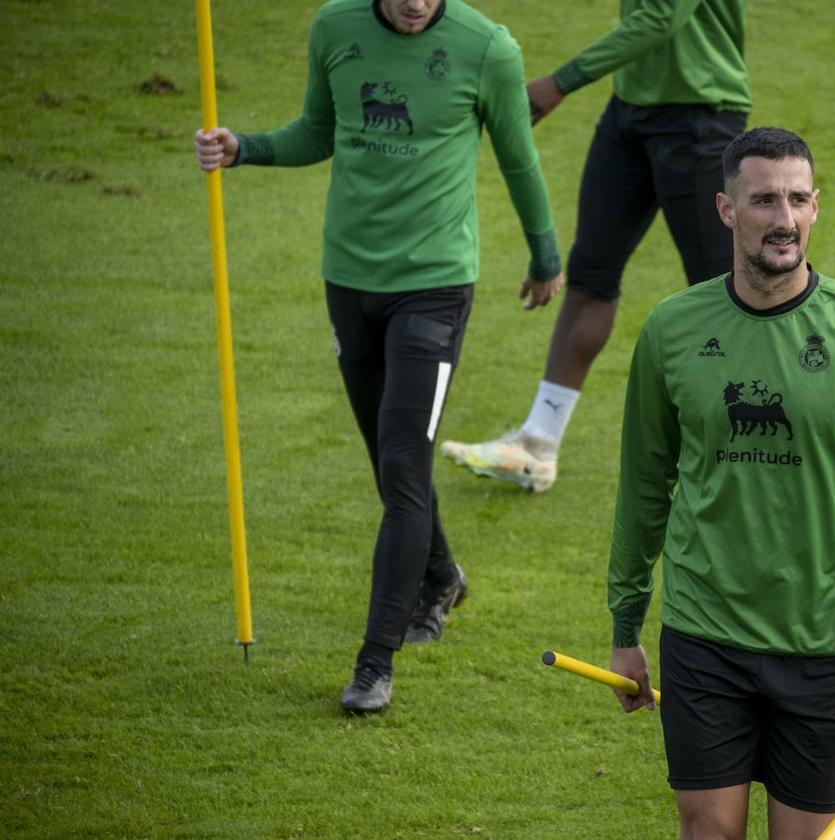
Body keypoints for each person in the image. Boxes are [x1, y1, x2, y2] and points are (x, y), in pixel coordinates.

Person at [193, 0, 564, 714]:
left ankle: (375, 663)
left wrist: (547, 258)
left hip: (434, 285)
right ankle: (441, 574)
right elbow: (318, 132)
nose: (416, 4)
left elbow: (518, 155)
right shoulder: (335, 30)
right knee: (393, 459)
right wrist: (246, 148)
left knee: (400, 468)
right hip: (349, 280)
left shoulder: (487, 48)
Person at [605, 128, 835, 839]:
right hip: (704, 636)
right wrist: (625, 627)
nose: (784, 218)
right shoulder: (672, 330)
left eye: (799, 199)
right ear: (726, 209)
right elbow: (644, 486)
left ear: (817, 206)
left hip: (823, 646)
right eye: (764, 199)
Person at [440, 0, 751, 492]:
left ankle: (756, 455)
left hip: (701, 113)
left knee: (727, 294)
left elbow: (661, 17)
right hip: (629, 111)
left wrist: (559, 82)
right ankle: (538, 445)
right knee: (590, 275)